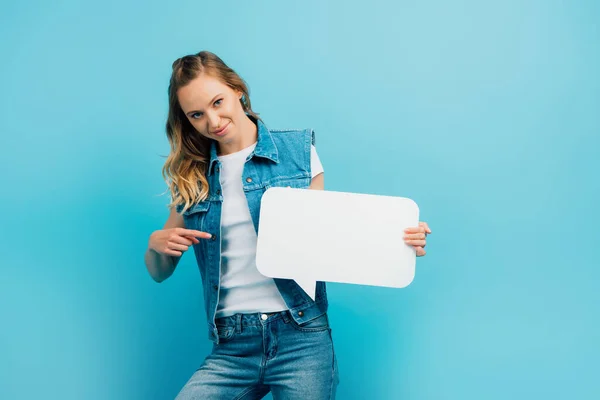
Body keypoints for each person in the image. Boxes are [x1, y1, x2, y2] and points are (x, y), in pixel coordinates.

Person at [144, 51, 431, 400]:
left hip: (301, 338)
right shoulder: (191, 178)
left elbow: (329, 239)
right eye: (197, 114)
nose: (213, 119)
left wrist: (397, 239)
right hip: (232, 343)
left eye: (218, 102)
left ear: (237, 90)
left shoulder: (298, 152)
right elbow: (159, 271)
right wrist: (155, 245)